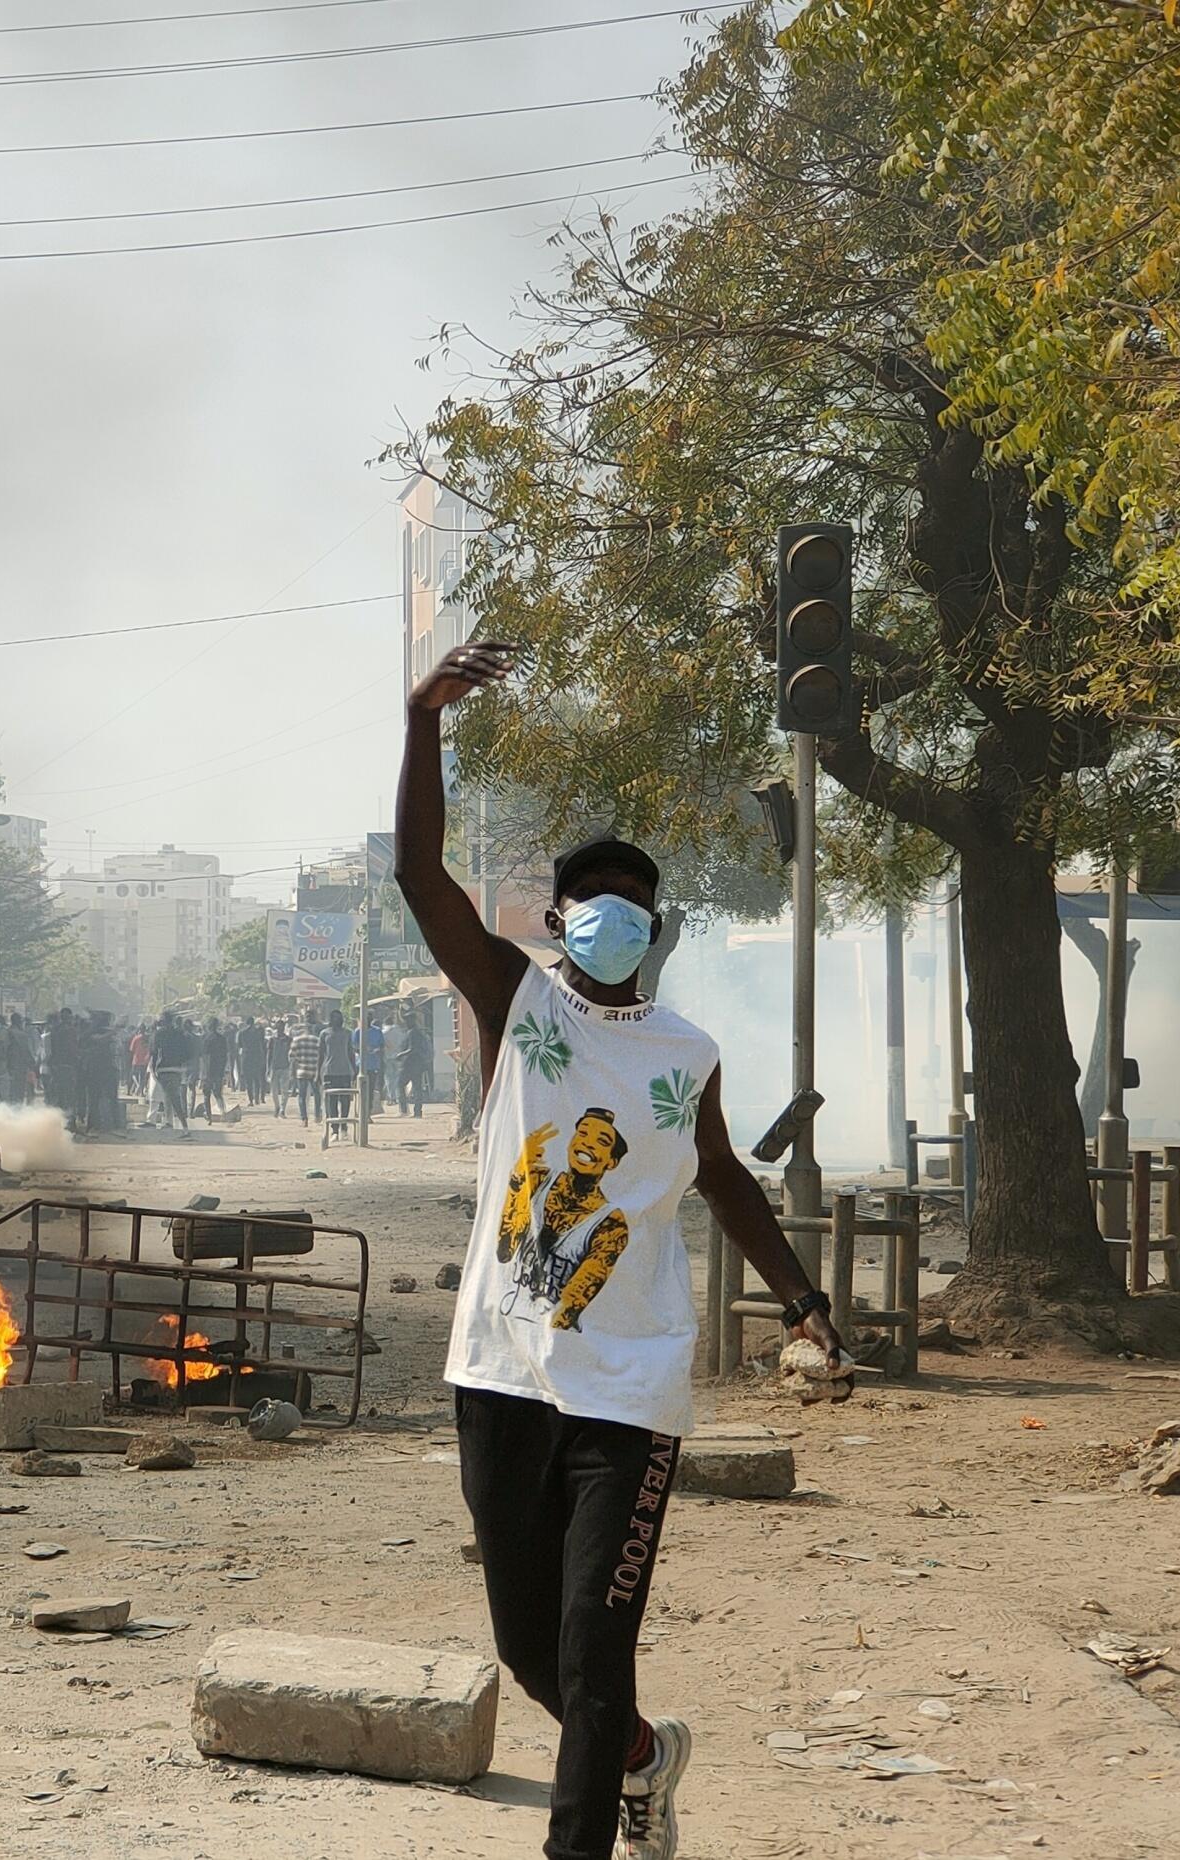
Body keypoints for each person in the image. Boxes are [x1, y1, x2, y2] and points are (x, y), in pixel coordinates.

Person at [395, 640, 851, 1860]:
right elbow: (417, 874)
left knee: (594, 1653)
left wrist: (800, 1296)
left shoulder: (685, 1052)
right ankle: (645, 1760)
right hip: (498, 1365)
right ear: (557, 919)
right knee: (528, 1652)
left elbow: (716, 1173)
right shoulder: (517, 1000)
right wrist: (421, 721)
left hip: (629, 1385)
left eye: (631, 900)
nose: (610, 914)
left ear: (658, 925)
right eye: (588, 897)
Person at [318, 1007, 356, 1134]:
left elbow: (350, 1052)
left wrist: (354, 1069)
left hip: (345, 1071)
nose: (336, 1020)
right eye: (334, 1017)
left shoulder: (347, 1033)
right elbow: (320, 1054)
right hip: (329, 1071)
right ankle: (334, 1129)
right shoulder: (324, 1034)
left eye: (338, 1017)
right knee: (331, 1102)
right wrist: (318, 1073)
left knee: (345, 1100)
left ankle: (344, 1126)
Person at [289, 1015, 323, 1124]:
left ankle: (304, 1118)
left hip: (302, 1071)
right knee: (317, 1094)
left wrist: (297, 1064)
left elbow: (291, 1056)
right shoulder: (317, 1040)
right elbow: (321, 1055)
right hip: (314, 1071)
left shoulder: (297, 1040)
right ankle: (317, 1115)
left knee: (302, 1096)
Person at [385, 1010, 415, 1117]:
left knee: (394, 1081)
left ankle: (396, 1101)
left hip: (394, 1058)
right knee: (411, 1084)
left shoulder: (385, 1032)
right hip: (404, 1061)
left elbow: (410, 1048)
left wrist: (399, 1054)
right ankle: (415, 1110)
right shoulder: (403, 1032)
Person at [197, 1017, 229, 1119]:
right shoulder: (222, 1039)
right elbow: (225, 1055)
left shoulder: (205, 1039)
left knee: (206, 1094)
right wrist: (225, 1069)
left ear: (208, 1026)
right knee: (218, 1093)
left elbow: (204, 1057)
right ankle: (223, 1112)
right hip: (219, 1069)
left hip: (208, 1070)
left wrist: (203, 1073)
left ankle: (208, 1114)